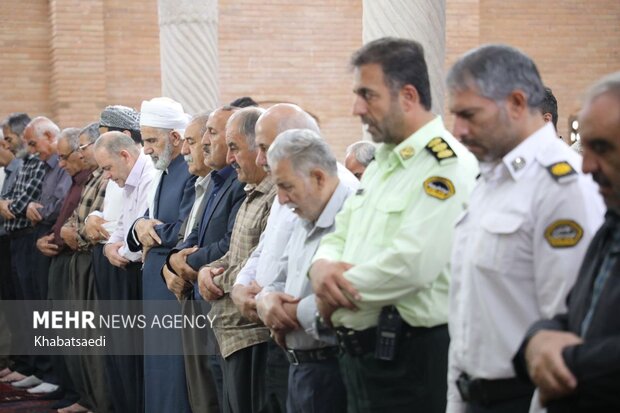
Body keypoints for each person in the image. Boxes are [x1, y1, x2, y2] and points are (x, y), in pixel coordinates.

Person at [308, 37, 479, 413]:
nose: (356, 108)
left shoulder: (445, 165)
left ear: (408, 96)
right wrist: (320, 267)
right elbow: (341, 231)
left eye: (367, 95)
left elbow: (412, 263)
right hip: (360, 360)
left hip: (409, 360)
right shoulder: (383, 161)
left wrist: (330, 291)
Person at [445, 44, 605, 413]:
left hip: (525, 399)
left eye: (469, 115)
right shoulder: (492, 178)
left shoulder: (563, 185)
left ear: (516, 103)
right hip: (475, 395)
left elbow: (566, 329)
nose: (459, 130)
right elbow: (468, 305)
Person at [513, 71, 620, 412]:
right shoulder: (611, 225)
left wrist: (568, 360)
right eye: (585, 147)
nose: (586, 166)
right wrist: (536, 339)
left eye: (602, 148)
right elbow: (575, 311)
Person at [256, 129, 357, 413]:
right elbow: (278, 278)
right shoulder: (305, 215)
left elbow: (348, 297)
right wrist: (266, 302)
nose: (282, 199)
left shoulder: (354, 215)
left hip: (334, 369)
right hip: (299, 368)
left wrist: (288, 314)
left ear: (318, 177)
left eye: (286, 186)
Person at [163, 109, 246, 413]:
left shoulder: (238, 182)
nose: (207, 142)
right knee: (208, 386)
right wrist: (175, 260)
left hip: (224, 301)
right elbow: (194, 231)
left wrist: (188, 262)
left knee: (226, 394)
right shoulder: (215, 180)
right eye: (207, 133)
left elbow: (230, 242)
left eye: (213, 133)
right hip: (200, 293)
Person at [198, 106, 277, 413]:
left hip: (251, 337)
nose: (229, 159)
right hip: (227, 333)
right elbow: (236, 253)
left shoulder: (275, 198)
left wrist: (211, 277)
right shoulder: (251, 192)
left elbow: (262, 268)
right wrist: (206, 270)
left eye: (234, 148)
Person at [126, 97, 196, 413]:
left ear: (175, 138)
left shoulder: (189, 171)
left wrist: (151, 234)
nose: (147, 149)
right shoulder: (164, 170)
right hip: (154, 283)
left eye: (152, 140)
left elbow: (185, 228)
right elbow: (143, 221)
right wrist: (141, 227)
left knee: (173, 371)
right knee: (157, 367)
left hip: (171, 283)